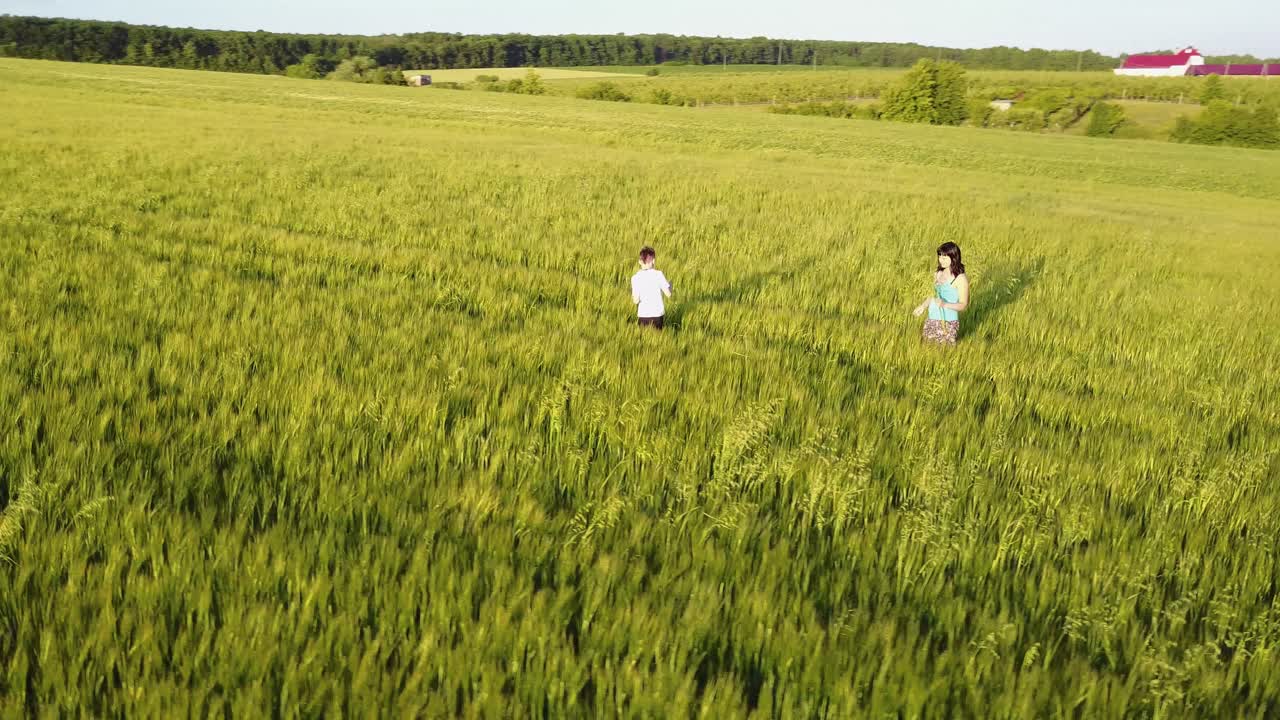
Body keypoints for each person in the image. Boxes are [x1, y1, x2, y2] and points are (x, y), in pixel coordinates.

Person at [912, 242, 969, 345]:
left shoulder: (960, 278)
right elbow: (933, 296)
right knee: (927, 351)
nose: (941, 260)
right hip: (931, 319)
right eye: (940, 256)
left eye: (944, 257)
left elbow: (963, 305)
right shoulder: (937, 274)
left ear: (954, 257)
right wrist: (923, 306)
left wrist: (945, 304)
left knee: (943, 353)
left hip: (947, 323)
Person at [631, 246, 672, 330]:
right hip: (657, 316)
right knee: (657, 340)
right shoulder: (659, 274)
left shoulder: (635, 278)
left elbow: (636, 301)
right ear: (653, 260)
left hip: (643, 316)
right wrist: (670, 285)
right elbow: (668, 294)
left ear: (640, 261)